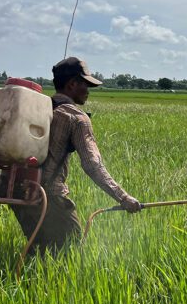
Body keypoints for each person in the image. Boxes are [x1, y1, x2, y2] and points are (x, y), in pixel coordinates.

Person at [11, 57, 141, 255]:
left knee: (40, 252)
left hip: (18, 192)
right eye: (86, 85)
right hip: (48, 196)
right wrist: (123, 197)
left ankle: (31, 282)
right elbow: (92, 164)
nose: (88, 91)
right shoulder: (76, 118)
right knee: (70, 253)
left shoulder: (37, 110)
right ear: (72, 84)